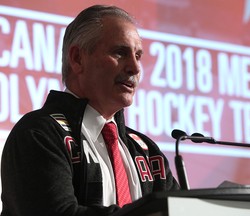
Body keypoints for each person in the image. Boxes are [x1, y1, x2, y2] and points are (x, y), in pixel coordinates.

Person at [1, 4, 179, 216]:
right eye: (120, 53)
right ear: (77, 59)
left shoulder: (146, 151)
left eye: (138, 56)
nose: (135, 67)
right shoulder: (39, 134)